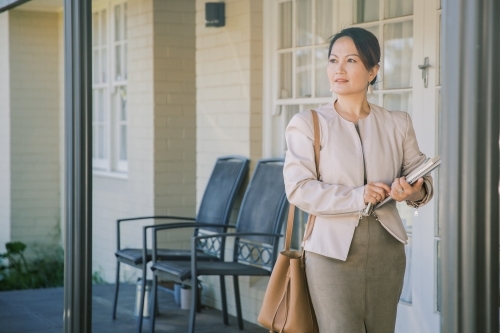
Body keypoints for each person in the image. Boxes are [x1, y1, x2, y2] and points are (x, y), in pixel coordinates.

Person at [283, 27, 434, 333]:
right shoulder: (307, 123)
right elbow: (299, 189)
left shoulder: (398, 122)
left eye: (351, 60)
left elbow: (422, 179)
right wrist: (358, 196)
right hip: (330, 252)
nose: (339, 69)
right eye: (333, 60)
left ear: (373, 70)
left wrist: (413, 192)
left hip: (387, 249)